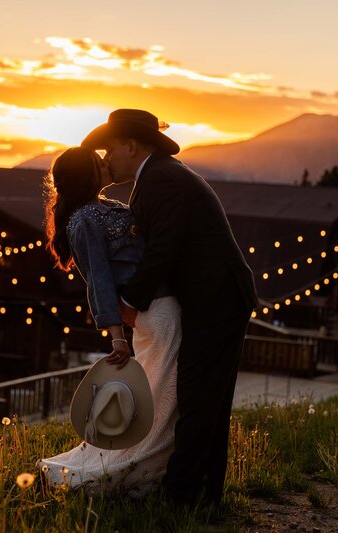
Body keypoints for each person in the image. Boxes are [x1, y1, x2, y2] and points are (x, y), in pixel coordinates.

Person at [81, 109, 258, 506]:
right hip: (215, 297)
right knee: (206, 399)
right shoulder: (159, 177)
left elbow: (163, 249)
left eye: (110, 149)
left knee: (198, 398)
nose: (106, 158)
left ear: (131, 145)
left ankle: (180, 497)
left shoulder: (161, 180)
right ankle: (203, 494)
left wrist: (126, 303)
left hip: (217, 299)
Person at [38, 146, 181, 494]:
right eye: (96, 163)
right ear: (83, 175)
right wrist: (116, 336)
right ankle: (134, 470)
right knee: (164, 392)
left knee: (163, 389)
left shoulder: (112, 207)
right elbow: (99, 279)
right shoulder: (83, 220)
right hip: (156, 311)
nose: (106, 163)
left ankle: (150, 464)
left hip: (162, 301)